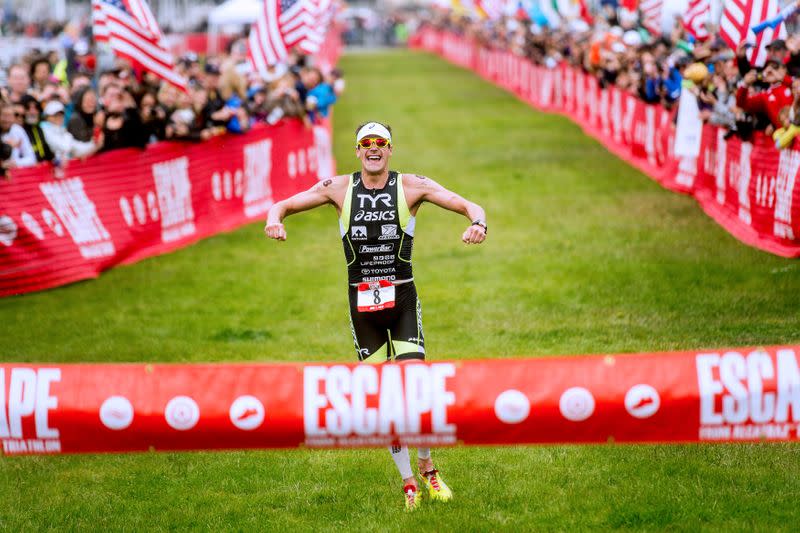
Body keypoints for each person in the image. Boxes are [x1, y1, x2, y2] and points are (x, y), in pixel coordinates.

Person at [264, 121, 487, 511]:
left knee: (415, 388)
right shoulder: (337, 188)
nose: (373, 148)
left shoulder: (411, 186)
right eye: (365, 143)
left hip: (401, 300)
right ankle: (408, 484)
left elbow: (468, 203)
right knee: (384, 399)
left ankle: (428, 468)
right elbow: (283, 204)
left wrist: (478, 223)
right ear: (357, 151)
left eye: (379, 143)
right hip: (361, 306)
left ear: (389, 149)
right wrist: (274, 220)